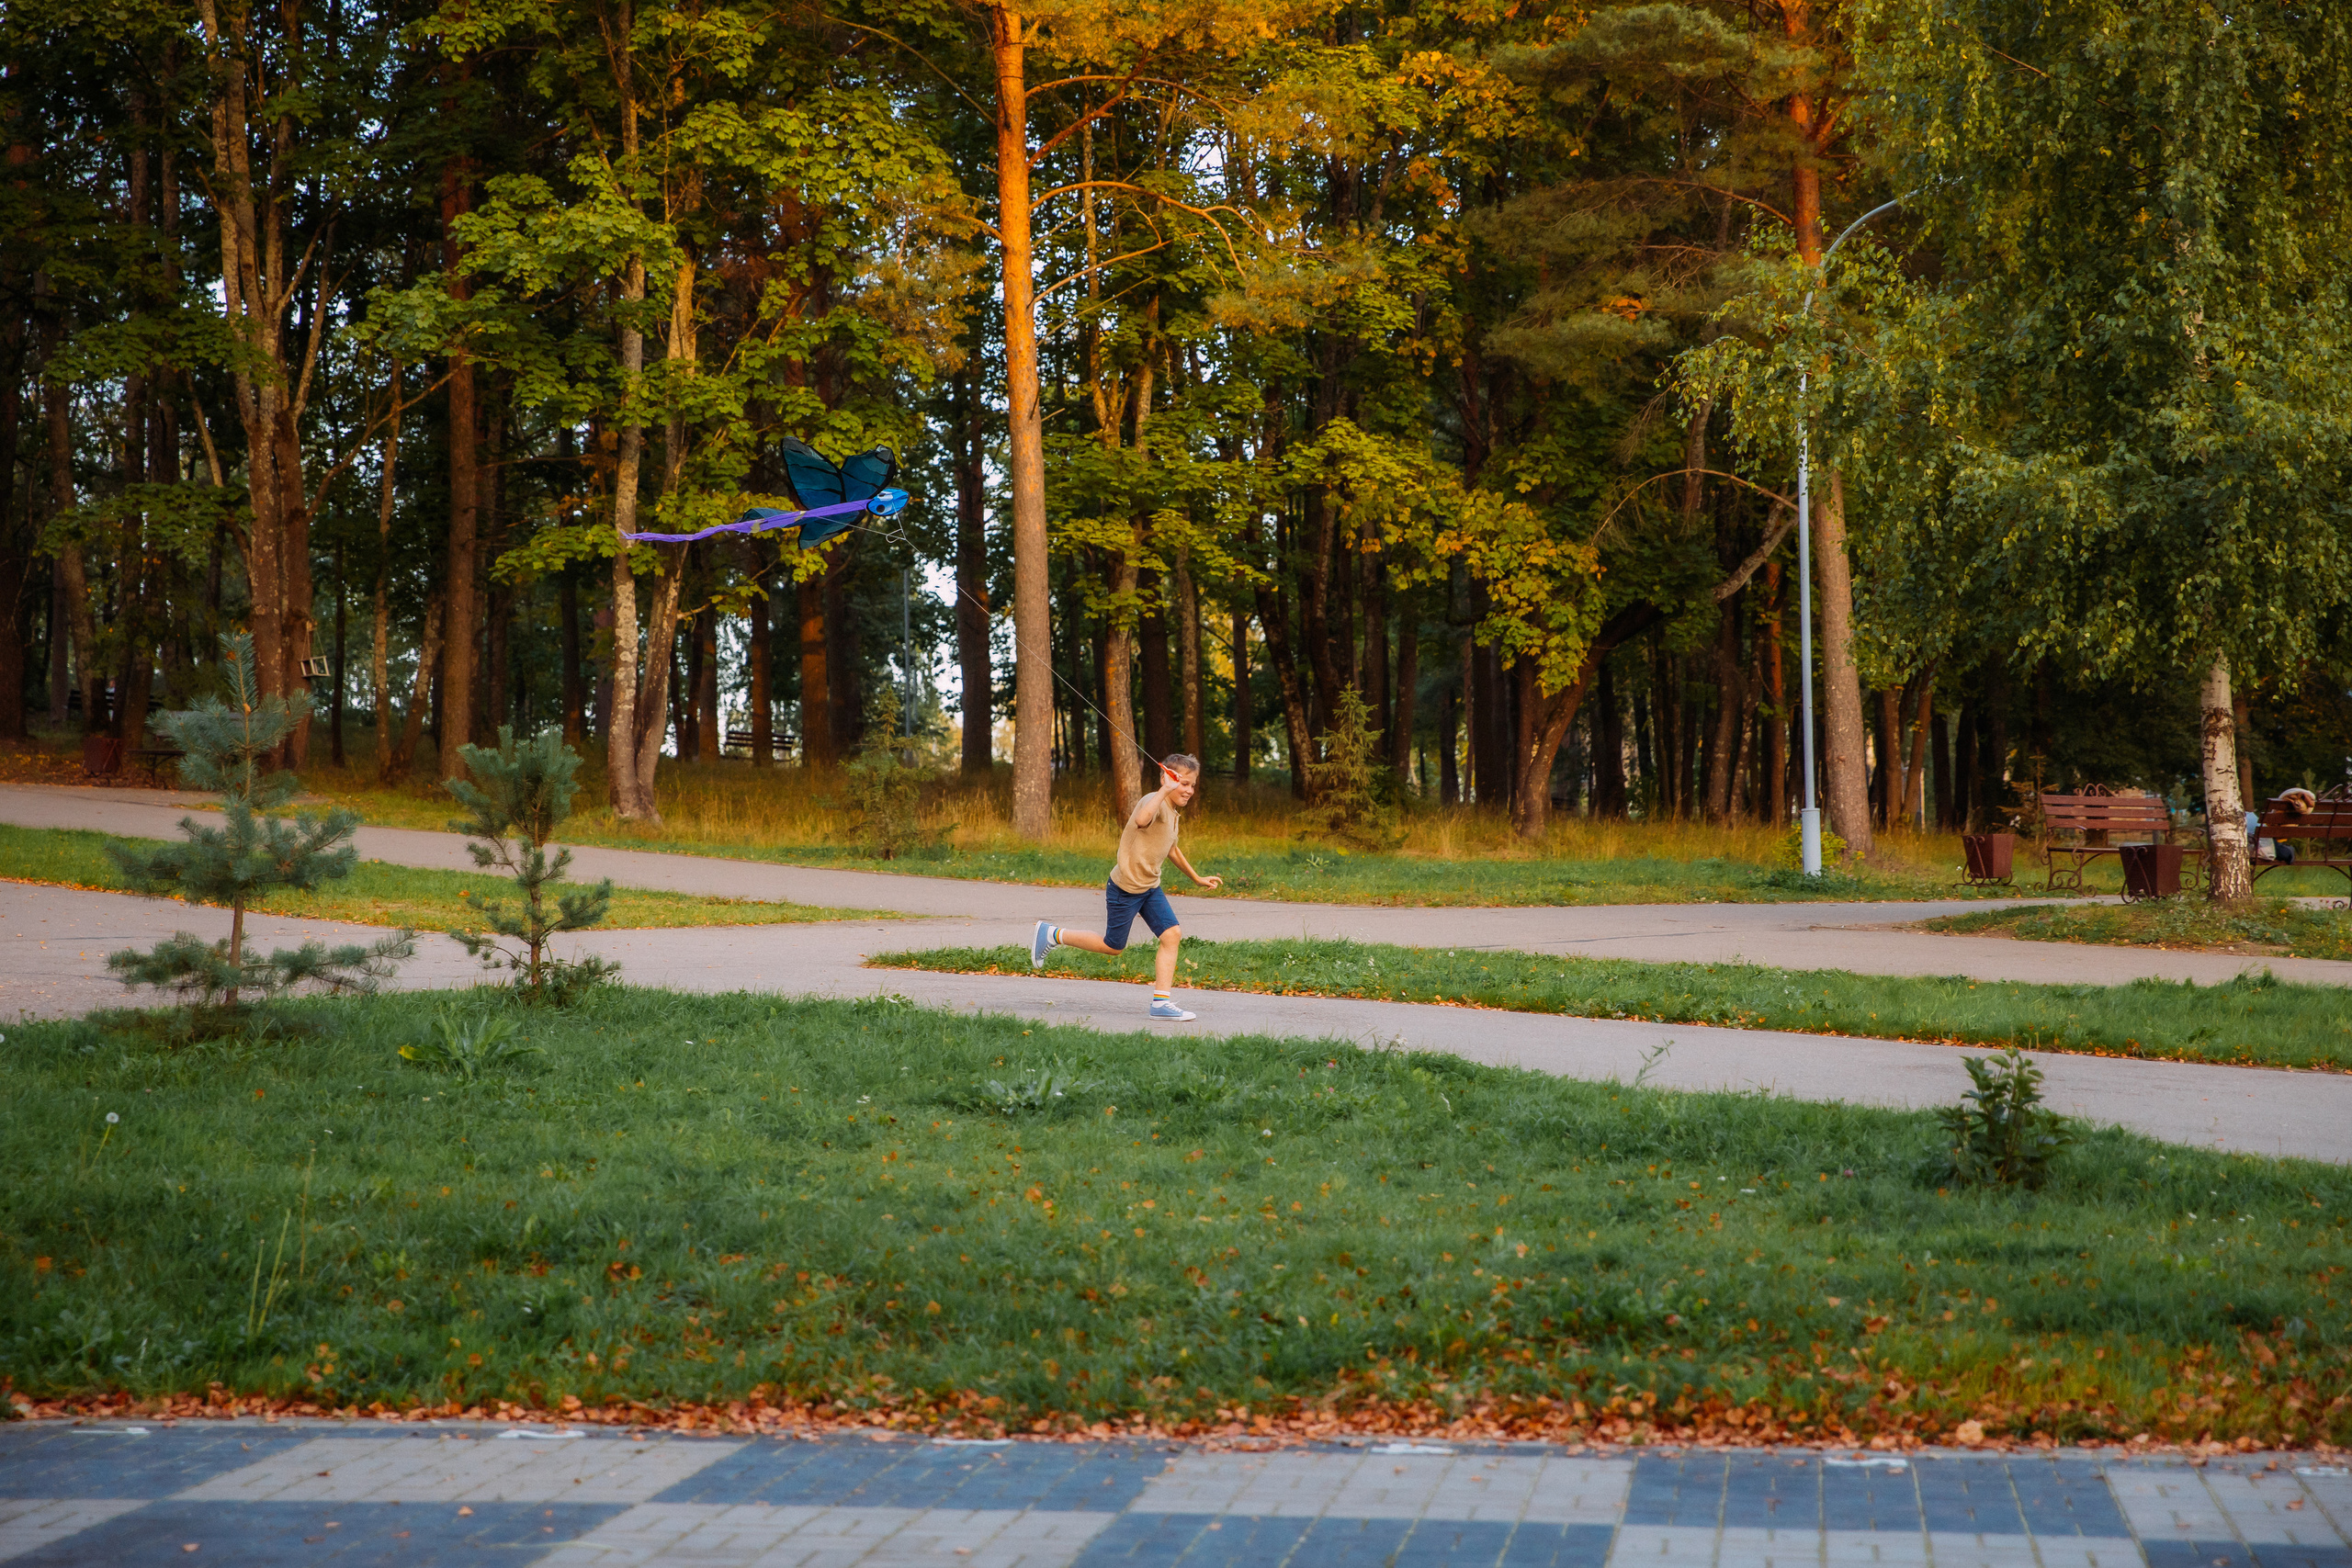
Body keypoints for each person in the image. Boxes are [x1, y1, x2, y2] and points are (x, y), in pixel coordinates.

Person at [1032, 754, 1221, 1021]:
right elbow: (1142, 820)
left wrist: (1197, 878)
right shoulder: (1153, 801)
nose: (1189, 790)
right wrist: (1164, 790)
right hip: (1126, 889)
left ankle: (1160, 1004)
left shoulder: (1172, 811)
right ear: (1166, 778)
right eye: (1184, 784)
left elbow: (1172, 849)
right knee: (1113, 946)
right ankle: (1053, 934)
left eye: (1192, 785)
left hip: (1149, 887)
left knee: (1172, 934)